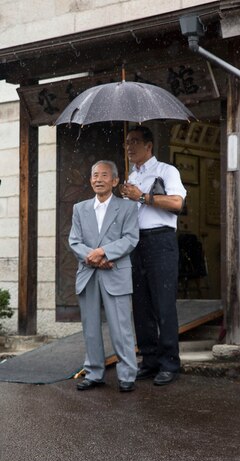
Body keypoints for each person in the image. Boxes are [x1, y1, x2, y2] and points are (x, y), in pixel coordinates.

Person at [120, 126, 186, 386]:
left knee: (163, 303)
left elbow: (177, 204)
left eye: (135, 142)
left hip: (161, 240)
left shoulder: (166, 171)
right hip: (136, 243)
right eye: (127, 142)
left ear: (149, 145)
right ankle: (149, 359)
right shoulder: (131, 176)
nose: (129, 147)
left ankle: (170, 362)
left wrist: (143, 197)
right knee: (141, 304)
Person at [69, 160, 139, 392]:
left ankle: (127, 375)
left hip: (116, 272)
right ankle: (94, 372)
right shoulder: (80, 208)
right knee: (90, 327)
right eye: (94, 175)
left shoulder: (128, 207)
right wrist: (94, 257)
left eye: (104, 175)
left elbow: (130, 238)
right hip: (89, 273)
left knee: (121, 328)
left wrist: (104, 252)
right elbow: (74, 241)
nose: (98, 179)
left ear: (115, 180)